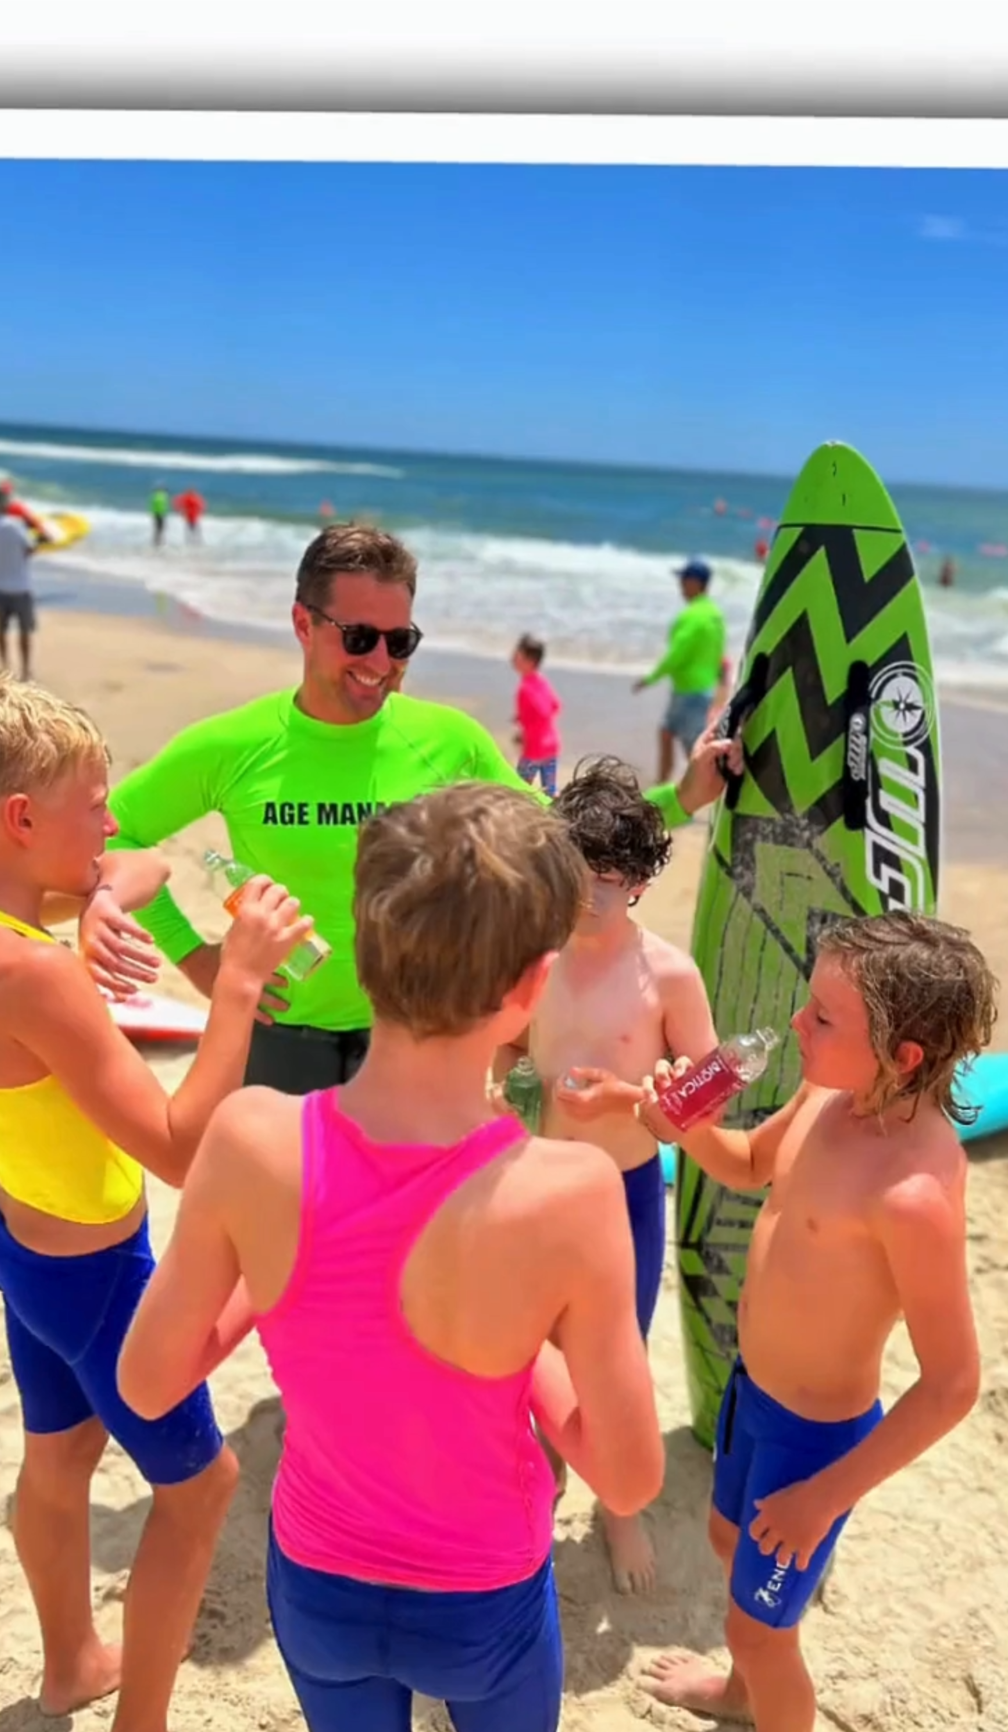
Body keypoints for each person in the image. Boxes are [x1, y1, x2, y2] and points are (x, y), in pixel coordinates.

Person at [116, 783, 665, 1732]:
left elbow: (148, 1381)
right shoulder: (570, 1190)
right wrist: (530, 1358)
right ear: (532, 986)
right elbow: (630, 1473)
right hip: (485, 1592)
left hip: (319, 1576)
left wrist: (272, 1288)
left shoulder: (250, 1137)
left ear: (363, 956)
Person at [0, 671, 312, 1732]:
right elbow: (185, 1150)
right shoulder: (30, 972)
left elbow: (137, 864)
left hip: (20, 1237)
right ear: (20, 819)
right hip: (97, 1272)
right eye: (93, 804)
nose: (112, 824)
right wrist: (234, 983)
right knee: (200, 1488)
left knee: (60, 1456)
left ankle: (70, 1662)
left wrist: (100, 893)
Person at [102, 522, 738, 1099]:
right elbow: (116, 831)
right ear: (303, 624)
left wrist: (681, 798)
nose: (380, 663)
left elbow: (563, 836)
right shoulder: (231, 745)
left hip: (412, 1040)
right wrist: (194, 958)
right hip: (278, 1038)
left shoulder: (448, 740)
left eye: (398, 641)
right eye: (358, 637)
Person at [633, 910, 995, 1732]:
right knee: (723, 1540)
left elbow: (952, 1383)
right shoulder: (831, 1102)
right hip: (754, 1395)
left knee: (764, 1624)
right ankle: (741, 1692)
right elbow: (753, 1163)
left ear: (903, 1056)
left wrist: (824, 1496)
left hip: (817, 1443)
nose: (796, 1026)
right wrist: (685, 1127)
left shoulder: (911, 1196)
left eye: (823, 1020)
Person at [498, 756, 720, 1593]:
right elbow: (509, 1039)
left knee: (613, 1350)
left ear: (640, 881)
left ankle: (617, 1510)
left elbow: (711, 1087)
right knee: (527, 1340)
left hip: (623, 1194)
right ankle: (542, 1475)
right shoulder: (534, 952)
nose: (589, 896)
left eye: (609, 880)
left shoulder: (666, 973)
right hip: (536, 1182)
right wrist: (501, 1073)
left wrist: (640, 1097)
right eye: (575, 876)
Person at [632, 558, 729, 787]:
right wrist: (720, 687)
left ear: (696, 583)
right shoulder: (715, 615)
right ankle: (662, 784)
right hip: (701, 689)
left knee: (695, 751)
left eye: (684, 580)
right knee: (666, 733)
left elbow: (676, 655)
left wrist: (649, 679)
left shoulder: (692, 617)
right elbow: (719, 654)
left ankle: (706, 791)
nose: (681, 585)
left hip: (690, 692)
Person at [0, 484, 42, 681]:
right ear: (2, 502)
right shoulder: (14, 525)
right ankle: (25, 671)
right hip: (21, 587)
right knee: (24, 631)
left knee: (1, 630)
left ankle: (5, 668)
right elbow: (30, 549)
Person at [511, 633, 562, 797]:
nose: (512, 657)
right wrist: (521, 717)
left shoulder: (524, 689)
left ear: (529, 661)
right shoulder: (541, 681)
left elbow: (542, 712)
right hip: (551, 745)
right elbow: (555, 706)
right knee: (550, 793)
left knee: (518, 792)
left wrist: (523, 734)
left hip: (534, 749)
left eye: (517, 654)